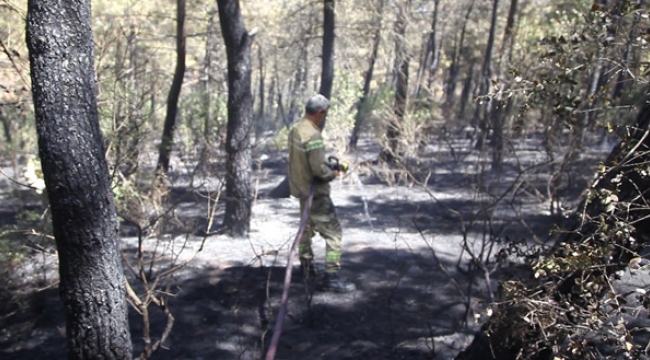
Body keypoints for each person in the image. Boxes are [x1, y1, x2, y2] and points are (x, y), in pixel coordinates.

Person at [288, 94, 356, 293]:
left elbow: (302, 160)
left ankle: (306, 271)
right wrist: (332, 172)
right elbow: (319, 170)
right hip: (315, 194)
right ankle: (331, 278)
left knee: (305, 233)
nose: (324, 116)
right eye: (324, 114)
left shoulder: (296, 129)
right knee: (334, 235)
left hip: (302, 191)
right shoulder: (313, 135)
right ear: (319, 113)